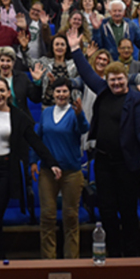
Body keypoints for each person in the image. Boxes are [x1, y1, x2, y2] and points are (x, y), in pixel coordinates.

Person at [67, 28, 140, 257]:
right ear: (106, 81)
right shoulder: (103, 91)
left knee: (127, 211)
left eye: (119, 80)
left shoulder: (136, 99)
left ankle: (131, 255)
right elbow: (87, 73)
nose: (116, 83)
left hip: (128, 164)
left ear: (125, 79)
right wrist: (76, 49)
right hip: (104, 162)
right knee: (106, 210)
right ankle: (113, 253)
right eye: (112, 80)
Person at [0, 77, 59, 259]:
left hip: (5, 169)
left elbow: (35, 141)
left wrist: (51, 162)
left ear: (9, 93)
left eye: (2, 90)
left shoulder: (18, 116)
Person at [31, 78, 87, 259]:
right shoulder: (46, 113)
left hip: (71, 172)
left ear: (69, 93)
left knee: (70, 217)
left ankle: (72, 261)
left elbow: (83, 129)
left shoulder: (74, 112)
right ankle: (49, 260)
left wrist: (80, 115)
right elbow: (37, 140)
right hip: (47, 171)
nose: (61, 95)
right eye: (58, 92)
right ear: (52, 94)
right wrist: (33, 161)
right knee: (47, 216)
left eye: (64, 91)